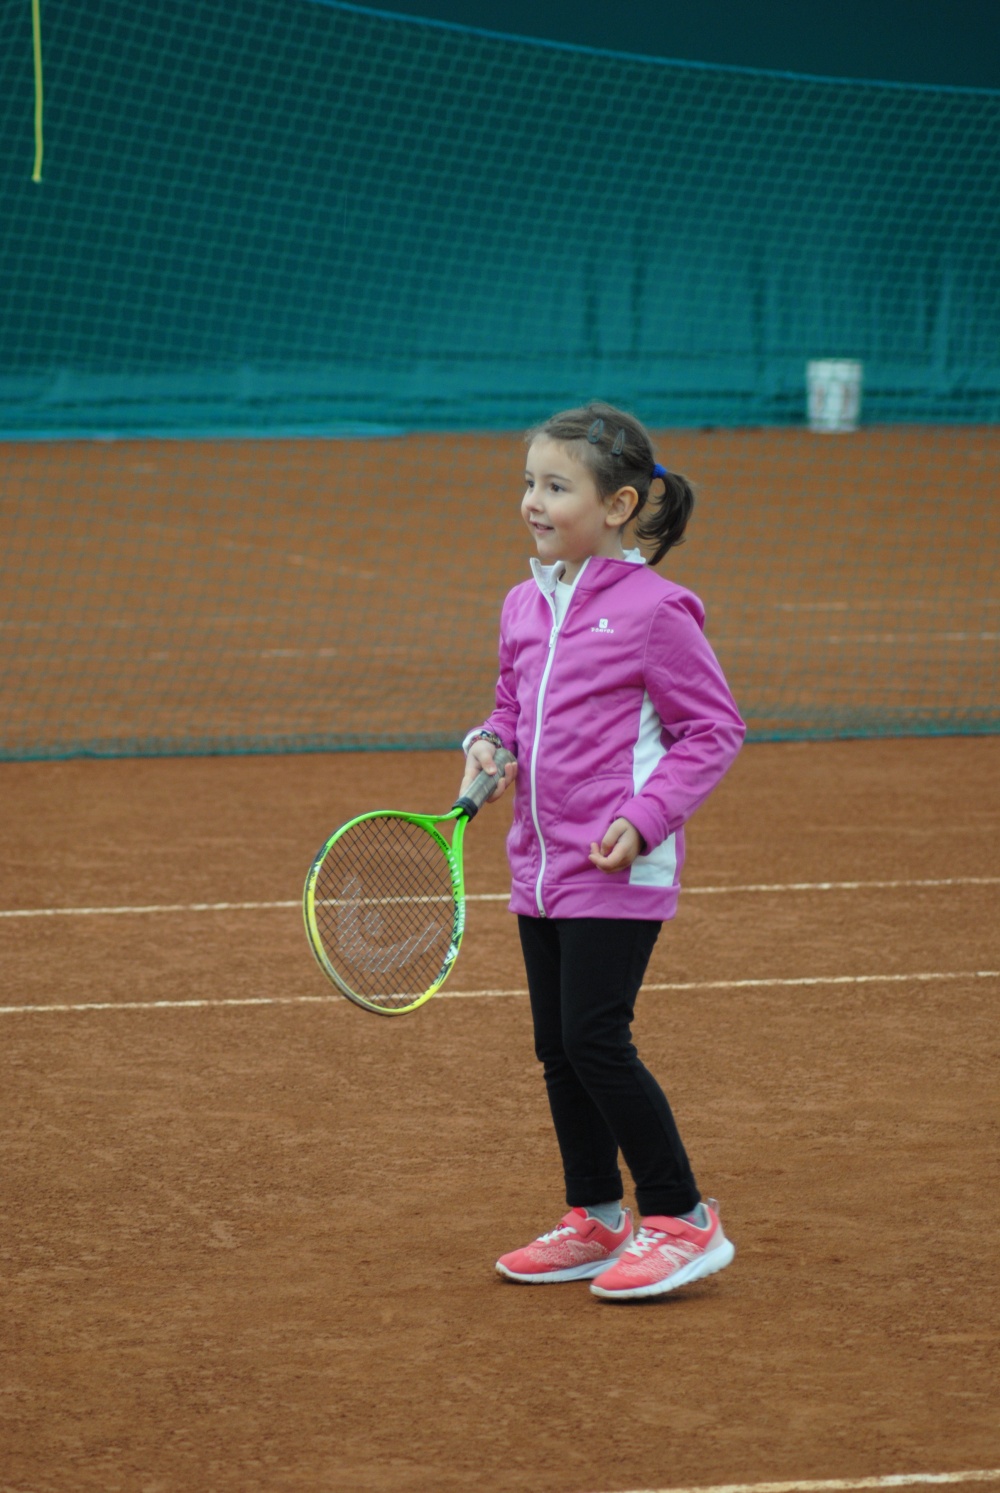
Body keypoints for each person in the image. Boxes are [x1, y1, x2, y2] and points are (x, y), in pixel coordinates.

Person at [459, 400, 746, 1302]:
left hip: (619, 866)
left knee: (595, 1036)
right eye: (528, 484)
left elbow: (714, 728)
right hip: (536, 865)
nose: (532, 503)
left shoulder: (657, 612)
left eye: (555, 486)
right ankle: (595, 1214)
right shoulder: (523, 601)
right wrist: (489, 744)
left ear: (619, 506)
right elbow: (511, 704)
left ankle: (681, 1215)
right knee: (557, 1045)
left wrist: (649, 815)